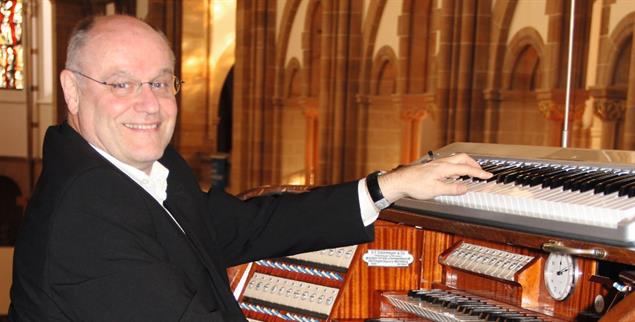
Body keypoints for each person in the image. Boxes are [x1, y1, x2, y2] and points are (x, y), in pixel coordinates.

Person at [9, 15, 492, 322]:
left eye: (160, 83)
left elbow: (245, 226)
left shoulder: (138, 171)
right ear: (71, 91)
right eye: (121, 84)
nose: (149, 104)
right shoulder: (86, 211)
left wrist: (390, 183)